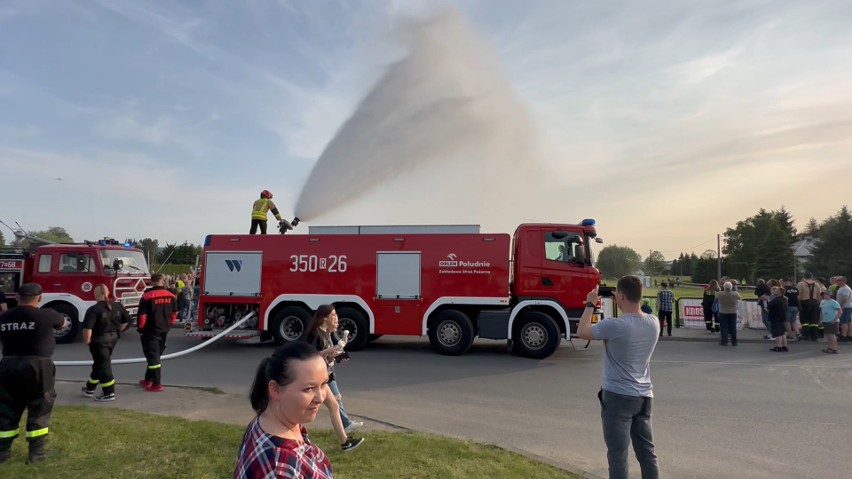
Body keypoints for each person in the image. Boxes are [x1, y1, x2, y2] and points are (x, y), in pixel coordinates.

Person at [577, 276, 660, 479]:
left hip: (618, 396)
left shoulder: (614, 325)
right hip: (644, 396)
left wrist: (590, 303)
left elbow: (582, 331)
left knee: (618, 455)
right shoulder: (653, 323)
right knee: (647, 453)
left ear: (620, 295)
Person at [234, 342, 333, 479]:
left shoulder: (269, 421)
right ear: (275, 389)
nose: (321, 398)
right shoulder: (279, 467)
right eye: (309, 389)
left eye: (323, 384)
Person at [0, 283, 68, 464]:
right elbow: (63, 323)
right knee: (40, 405)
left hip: (8, 364)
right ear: (39, 298)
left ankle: (2, 451)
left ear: (16, 297)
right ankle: (36, 453)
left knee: (7, 407)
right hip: (38, 365)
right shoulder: (47, 315)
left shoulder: (5, 317)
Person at [303, 305, 365, 452]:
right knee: (305, 408)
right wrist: (327, 352)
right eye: (334, 315)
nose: (336, 318)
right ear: (324, 317)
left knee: (334, 406)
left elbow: (327, 358)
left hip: (324, 378)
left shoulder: (327, 334)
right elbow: (308, 357)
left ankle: (345, 442)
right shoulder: (316, 334)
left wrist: (335, 356)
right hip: (314, 379)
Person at [81, 284, 131, 401]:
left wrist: (87, 341)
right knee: (100, 363)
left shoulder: (94, 309)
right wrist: (117, 330)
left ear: (95, 295)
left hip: (99, 340)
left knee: (104, 365)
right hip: (113, 338)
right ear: (107, 293)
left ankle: (109, 392)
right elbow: (127, 320)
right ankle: (90, 388)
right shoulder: (118, 306)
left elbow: (87, 328)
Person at [137, 273, 177, 392]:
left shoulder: (147, 296)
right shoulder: (171, 296)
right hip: (164, 330)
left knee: (153, 358)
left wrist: (141, 329)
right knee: (155, 355)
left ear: (151, 281)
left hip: (150, 330)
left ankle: (156, 384)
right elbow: (174, 313)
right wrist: (169, 325)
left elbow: (142, 316)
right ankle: (148, 379)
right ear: (162, 281)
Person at [797, 273, 822, 342]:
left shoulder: (800, 284)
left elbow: (799, 295)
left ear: (804, 277)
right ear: (812, 277)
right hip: (814, 303)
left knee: (804, 320)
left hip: (804, 302)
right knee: (814, 320)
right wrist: (818, 304)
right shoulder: (816, 284)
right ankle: (814, 336)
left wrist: (798, 304)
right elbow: (819, 296)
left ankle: (806, 335)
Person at [716, 281, 741, 346]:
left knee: (724, 327)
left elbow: (716, 299)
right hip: (733, 312)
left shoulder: (720, 294)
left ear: (724, 287)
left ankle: (724, 341)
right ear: (731, 287)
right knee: (733, 328)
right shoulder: (735, 293)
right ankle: (734, 342)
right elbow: (739, 298)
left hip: (723, 312)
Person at [819, 289, 841, 354]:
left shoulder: (834, 302)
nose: (824, 295)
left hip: (832, 321)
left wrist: (834, 320)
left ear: (829, 295)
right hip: (825, 320)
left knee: (832, 335)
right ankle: (830, 347)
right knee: (827, 334)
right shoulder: (822, 301)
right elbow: (821, 311)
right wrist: (820, 320)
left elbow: (840, 312)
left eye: (826, 294)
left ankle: (834, 348)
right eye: (823, 294)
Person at [767, 286, 789, 352]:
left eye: (776, 290)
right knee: (782, 332)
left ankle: (779, 347)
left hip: (775, 318)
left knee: (778, 333)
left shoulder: (776, 300)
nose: (774, 291)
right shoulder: (785, 299)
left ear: (779, 292)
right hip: (783, 317)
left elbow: (768, 307)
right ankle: (784, 346)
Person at [835, 276, 852, 342]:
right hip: (848, 306)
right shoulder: (842, 288)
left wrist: (841, 306)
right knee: (848, 322)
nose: (837, 281)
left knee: (844, 322)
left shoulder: (844, 288)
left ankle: (844, 336)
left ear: (844, 281)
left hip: (845, 307)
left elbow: (845, 297)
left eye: (839, 280)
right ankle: (849, 335)